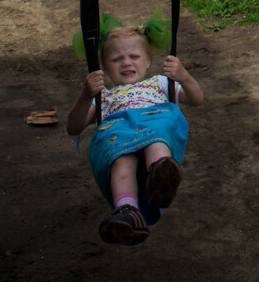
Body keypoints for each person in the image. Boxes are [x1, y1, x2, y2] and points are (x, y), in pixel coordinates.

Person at [65, 21, 205, 245]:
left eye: (134, 56)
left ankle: (160, 175)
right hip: (120, 136)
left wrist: (183, 76)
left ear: (148, 60)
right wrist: (85, 95)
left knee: (156, 136)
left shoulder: (159, 84)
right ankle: (126, 210)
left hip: (153, 125)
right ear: (105, 67)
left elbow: (197, 99)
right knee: (121, 163)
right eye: (116, 59)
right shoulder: (103, 98)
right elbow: (73, 126)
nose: (126, 62)